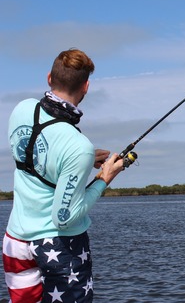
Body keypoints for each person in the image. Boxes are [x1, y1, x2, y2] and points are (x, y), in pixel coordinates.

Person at [2, 49, 124, 303]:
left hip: (15, 241)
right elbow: (63, 217)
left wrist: (85, 159)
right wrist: (104, 179)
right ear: (86, 87)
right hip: (55, 246)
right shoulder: (76, 146)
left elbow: (33, 153)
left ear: (49, 78)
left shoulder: (22, 109)